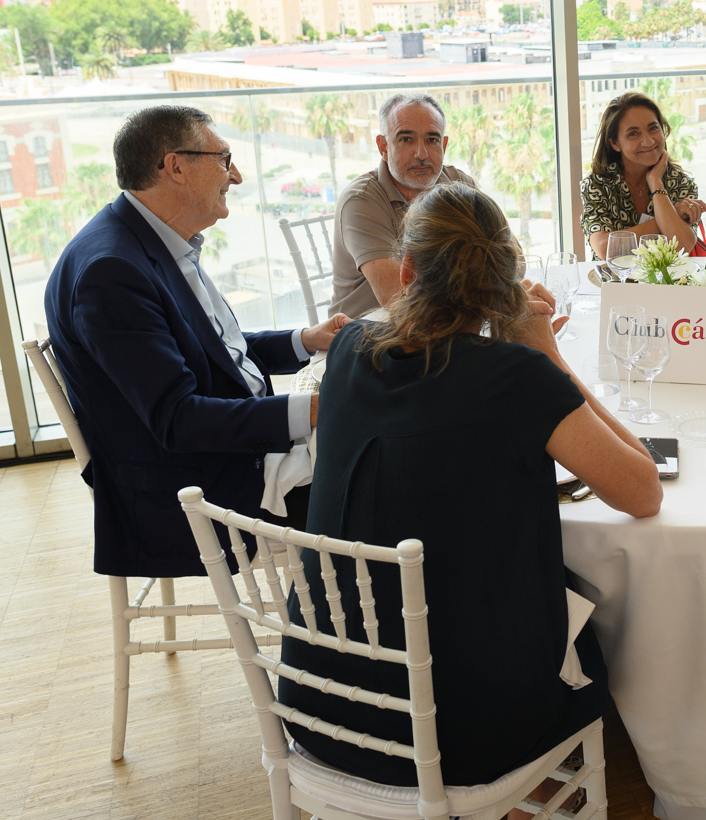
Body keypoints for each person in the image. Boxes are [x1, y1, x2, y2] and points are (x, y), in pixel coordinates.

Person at [281, 181, 662, 786]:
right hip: (465, 730)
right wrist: (547, 352)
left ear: (407, 270)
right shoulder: (518, 379)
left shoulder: (351, 346)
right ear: (505, 280)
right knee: (612, 629)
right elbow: (644, 490)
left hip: (321, 697)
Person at [44, 105, 347, 576]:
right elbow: (178, 421)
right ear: (176, 167)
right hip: (194, 492)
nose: (237, 175)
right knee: (378, 475)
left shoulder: (148, 239)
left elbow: (208, 348)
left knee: (373, 445)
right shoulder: (111, 272)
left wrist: (307, 340)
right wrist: (312, 410)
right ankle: (360, 633)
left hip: (226, 453)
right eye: (224, 159)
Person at [329, 93, 475, 318]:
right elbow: (398, 298)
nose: (421, 154)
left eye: (432, 139)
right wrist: (479, 281)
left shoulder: (460, 184)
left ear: (444, 145)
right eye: (406, 139)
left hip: (446, 326)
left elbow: (512, 261)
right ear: (383, 146)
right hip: (365, 339)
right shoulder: (361, 200)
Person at [580, 91, 706, 259]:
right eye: (633, 133)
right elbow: (605, 249)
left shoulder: (680, 183)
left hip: (667, 284)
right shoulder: (597, 184)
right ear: (615, 143)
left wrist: (656, 183)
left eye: (653, 128)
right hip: (616, 283)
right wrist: (672, 215)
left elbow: (683, 246)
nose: (648, 141)